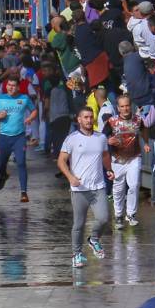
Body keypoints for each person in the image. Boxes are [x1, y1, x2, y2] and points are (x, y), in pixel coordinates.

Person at [58, 107, 113, 269]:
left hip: (98, 186)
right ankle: (77, 254)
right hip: (79, 188)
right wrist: (70, 177)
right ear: (79, 120)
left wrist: (109, 170)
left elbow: (104, 156)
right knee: (79, 224)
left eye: (91, 117)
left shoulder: (101, 137)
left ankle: (94, 239)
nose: (89, 120)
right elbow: (61, 161)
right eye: (85, 117)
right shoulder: (71, 139)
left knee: (103, 218)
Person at [0, 74, 37, 202]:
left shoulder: (24, 98)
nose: (10, 88)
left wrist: (29, 118)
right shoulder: (0, 98)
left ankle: (23, 192)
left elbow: (34, 110)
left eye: (13, 86)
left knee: (21, 163)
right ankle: (3, 175)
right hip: (4, 137)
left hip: (19, 137)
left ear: (18, 87)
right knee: (0, 165)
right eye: (9, 85)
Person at [105, 95, 149, 229]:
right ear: (118, 108)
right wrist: (108, 141)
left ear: (131, 106)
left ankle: (131, 214)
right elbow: (102, 137)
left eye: (127, 105)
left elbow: (144, 129)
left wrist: (146, 143)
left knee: (134, 184)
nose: (125, 109)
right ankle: (118, 215)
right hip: (117, 159)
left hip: (134, 157)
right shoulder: (111, 122)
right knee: (118, 188)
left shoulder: (138, 120)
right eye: (122, 106)